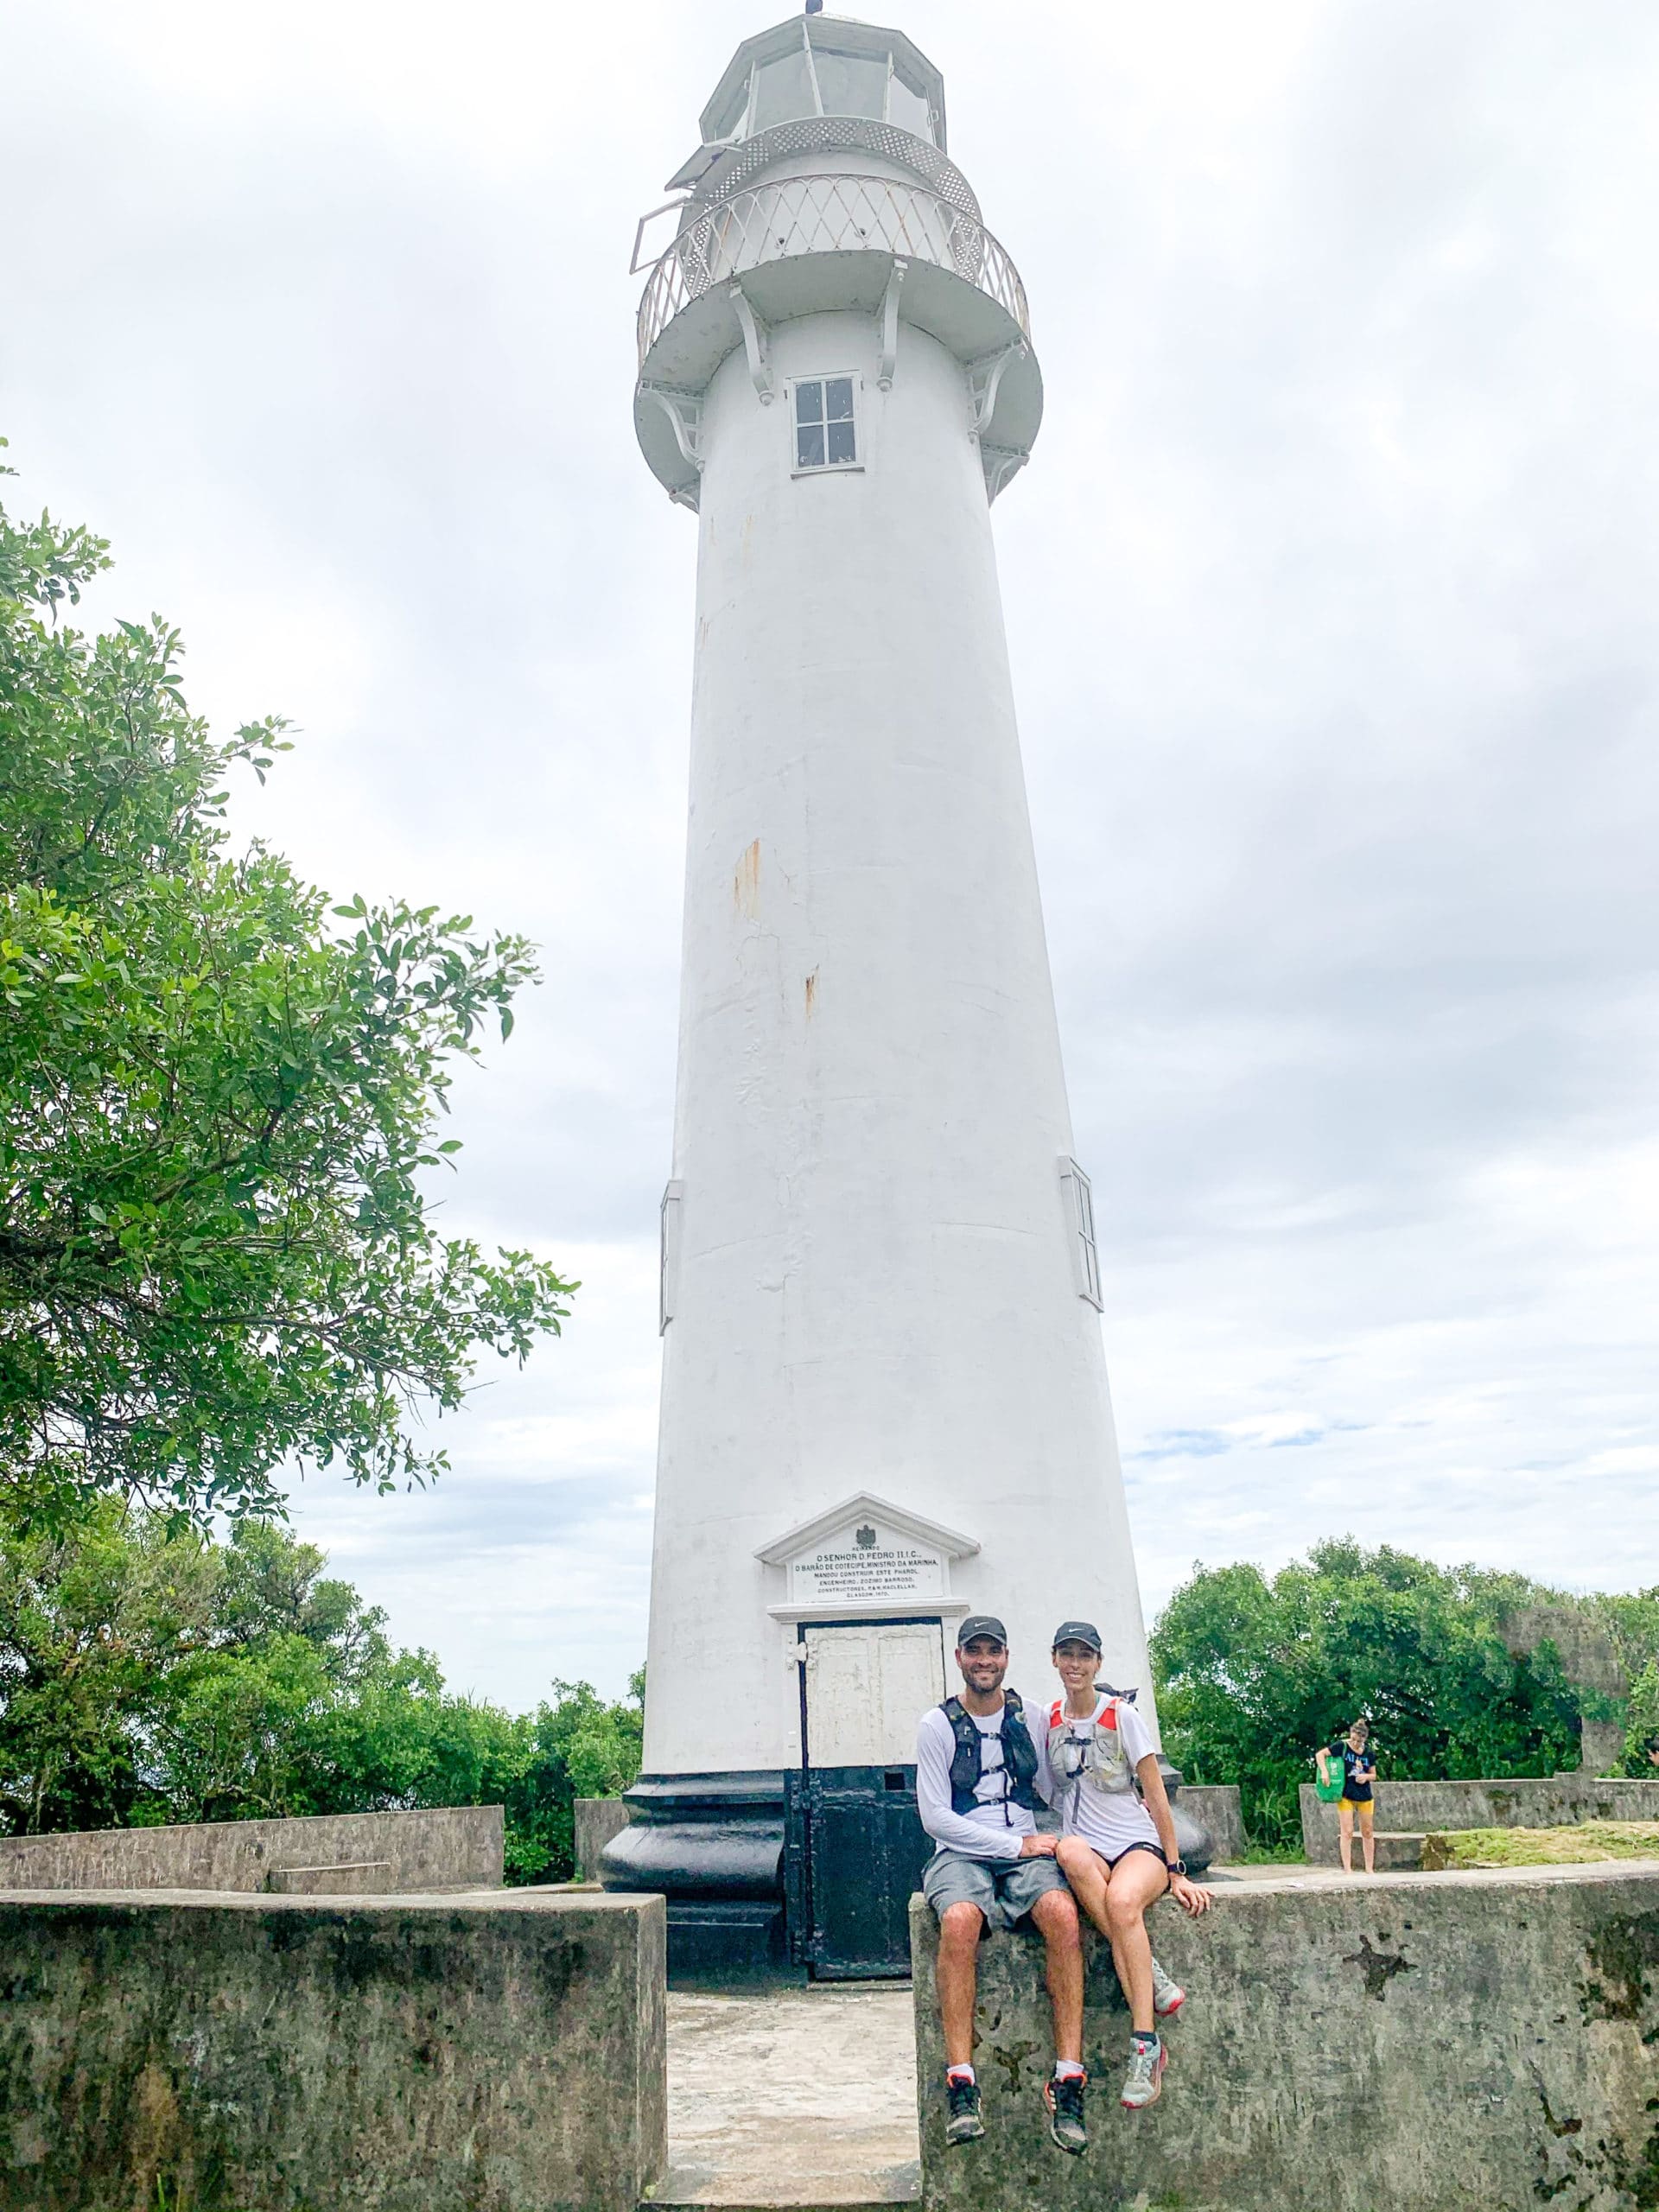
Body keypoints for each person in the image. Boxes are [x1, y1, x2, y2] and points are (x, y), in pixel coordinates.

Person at [915, 1616, 1090, 2157]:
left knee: (1061, 1913)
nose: (984, 1661)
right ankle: (962, 2081)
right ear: (960, 1658)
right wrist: (1014, 1847)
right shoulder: (937, 1725)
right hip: (965, 1851)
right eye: (975, 1652)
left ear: (1007, 1657)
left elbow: (1056, 1784)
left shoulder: (1031, 1716)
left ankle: (1068, 2077)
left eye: (993, 1651)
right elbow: (934, 1817)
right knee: (961, 1919)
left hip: (1025, 1840)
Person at [1039, 1622, 1211, 2113]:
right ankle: (1149, 1973)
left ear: (1098, 1663)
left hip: (1136, 1843)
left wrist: (1175, 1867)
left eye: (1085, 1656)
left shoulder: (1122, 1715)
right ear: (1054, 1659)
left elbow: (1155, 1794)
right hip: (1088, 1845)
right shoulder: (1049, 1718)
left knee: (1120, 1902)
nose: (1075, 1664)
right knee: (1068, 1851)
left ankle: (1146, 2045)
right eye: (1067, 1654)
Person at [1318, 1719, 1376, 1874]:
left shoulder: (1369, 1753)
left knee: (1367, 1831)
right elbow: (1320, 1755)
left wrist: (1365, 1777)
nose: (1356, 1743)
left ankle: (1369, 1868)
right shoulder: (1341, 1746)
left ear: (1365, 1738)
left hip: (1364, 1795)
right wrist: (1325, 1771)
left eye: (1359, 1740)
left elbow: (1374, 1775)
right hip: (1346, 1794)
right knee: (1347, 1831)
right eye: (1354, 1739)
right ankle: (1347, 1868)